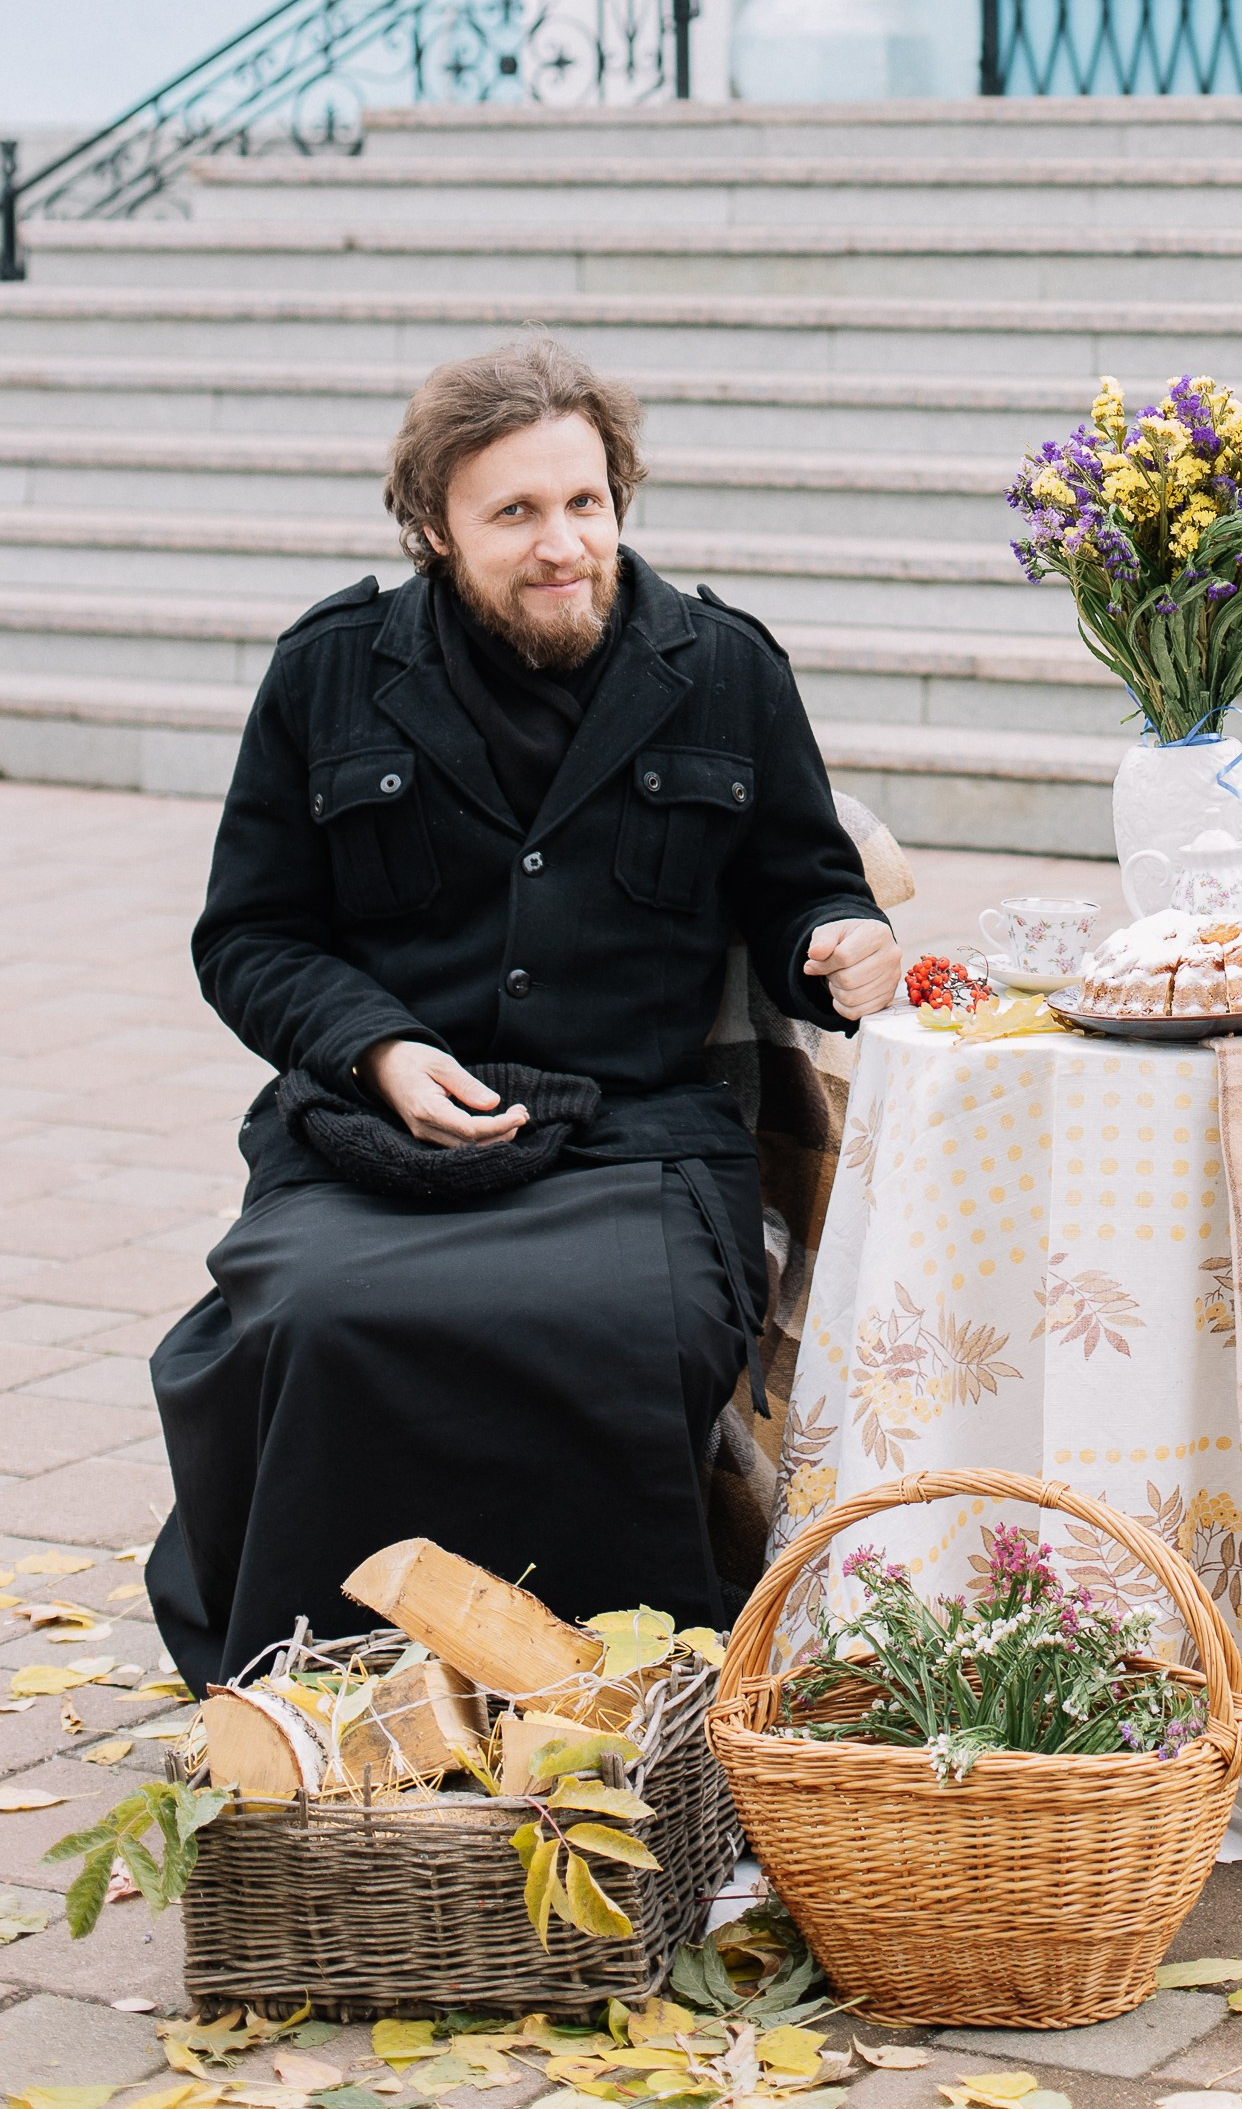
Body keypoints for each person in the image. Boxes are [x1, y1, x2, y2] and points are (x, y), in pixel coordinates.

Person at [147, 335, 904, 1694]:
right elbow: (249, 935)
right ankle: (319, 1702)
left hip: (642, 1145)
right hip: (375, 1142)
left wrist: (840, 945)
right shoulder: (328, 673)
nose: (562, 546)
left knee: (621, 1334)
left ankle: (619, 1719)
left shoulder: (723, 666)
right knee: (306, 1322)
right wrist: (379, 1046)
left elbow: (805, 893)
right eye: (514, 513)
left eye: (585, 504)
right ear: (432, 526)